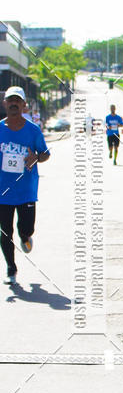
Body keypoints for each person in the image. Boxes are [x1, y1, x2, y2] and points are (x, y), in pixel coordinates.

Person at [0, 86, 50, 283]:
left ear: (23, 105)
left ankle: (26, 236)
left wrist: (36, 157)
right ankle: (11, 269)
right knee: (5, 232)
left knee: (25, 228)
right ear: (5, 103)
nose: (13, 104)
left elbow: (45, 154)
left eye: (17, 101)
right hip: (3, 191)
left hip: (26, 190)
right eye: (10, 100)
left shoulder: (33, 130)